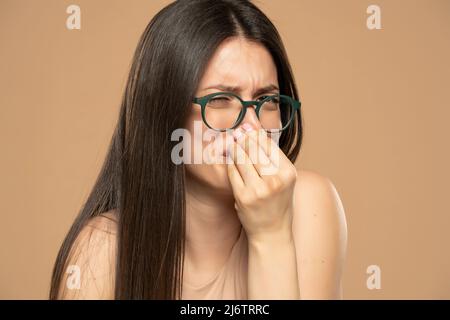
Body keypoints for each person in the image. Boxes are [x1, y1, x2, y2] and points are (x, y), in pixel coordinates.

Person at [49, 0, 347, 300]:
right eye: (219, 99)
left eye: (266, 100)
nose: (253, 127)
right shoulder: (101, 250)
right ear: (165, 112)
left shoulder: (308, 205)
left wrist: (271, 236)